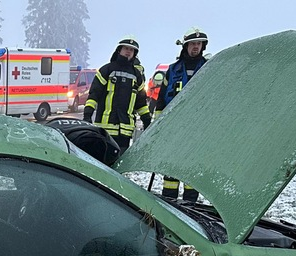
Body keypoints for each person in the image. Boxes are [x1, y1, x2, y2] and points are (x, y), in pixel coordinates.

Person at [154, 27, 210, 202]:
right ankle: (168, 205)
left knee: (192, 172)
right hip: (173, 130)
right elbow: (161, 101)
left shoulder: (210, 68)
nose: (196, 47)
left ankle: (190, 208)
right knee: (170, 170)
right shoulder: (172, 70)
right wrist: (157, 127)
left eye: (199, 44)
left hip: (197, 130)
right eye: (192, 44)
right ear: (185, 46)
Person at [82, 35, 152, 155]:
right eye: (126, 48)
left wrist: (147, 121)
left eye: (131, 50)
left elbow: (141, 103)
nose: (128, 51)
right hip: (105, 128)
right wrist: (87, 115)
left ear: (134, 54)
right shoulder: (106, 70)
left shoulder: (137, 75)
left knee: (120, 162)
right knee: (103, 160)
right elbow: (94, 95)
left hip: (125, 131)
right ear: (119, 50)